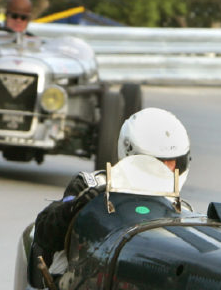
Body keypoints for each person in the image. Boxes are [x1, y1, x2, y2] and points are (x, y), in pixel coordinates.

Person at [33, 108, 191, 261]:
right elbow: (44, 231)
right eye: (160, 162)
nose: (169, 169)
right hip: (93, 272)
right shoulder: (91, 185)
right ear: (130, 153)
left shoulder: (182, 209)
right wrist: (74, 208)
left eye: (175, 162)